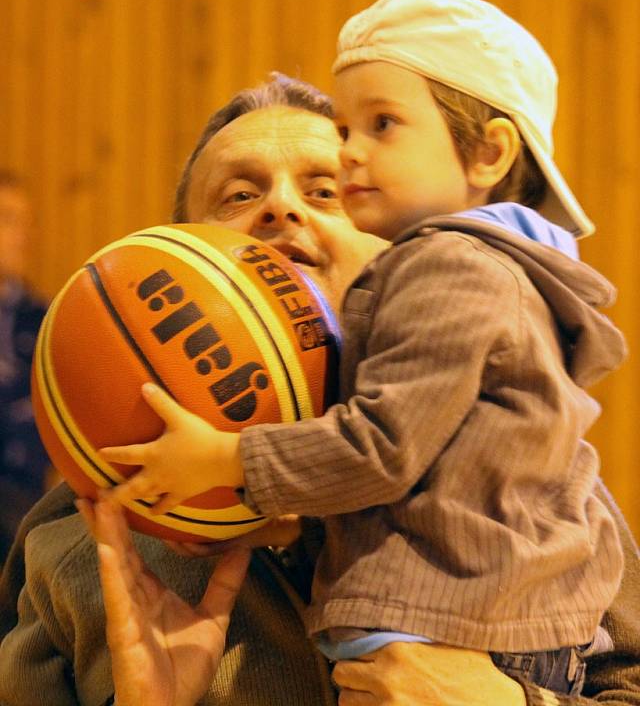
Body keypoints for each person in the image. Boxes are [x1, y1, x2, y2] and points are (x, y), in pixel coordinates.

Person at [0, 74, 638, 706]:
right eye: (238, 194)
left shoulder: (535, 486)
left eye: (327, 191)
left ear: (402, 255)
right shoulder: (78, 543)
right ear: (178, 250)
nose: (281, 208)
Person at [0, 171, 51, 562]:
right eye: (5, 218)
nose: (14, 233)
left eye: (19, 220)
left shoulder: (50, 321)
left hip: (25, 501)